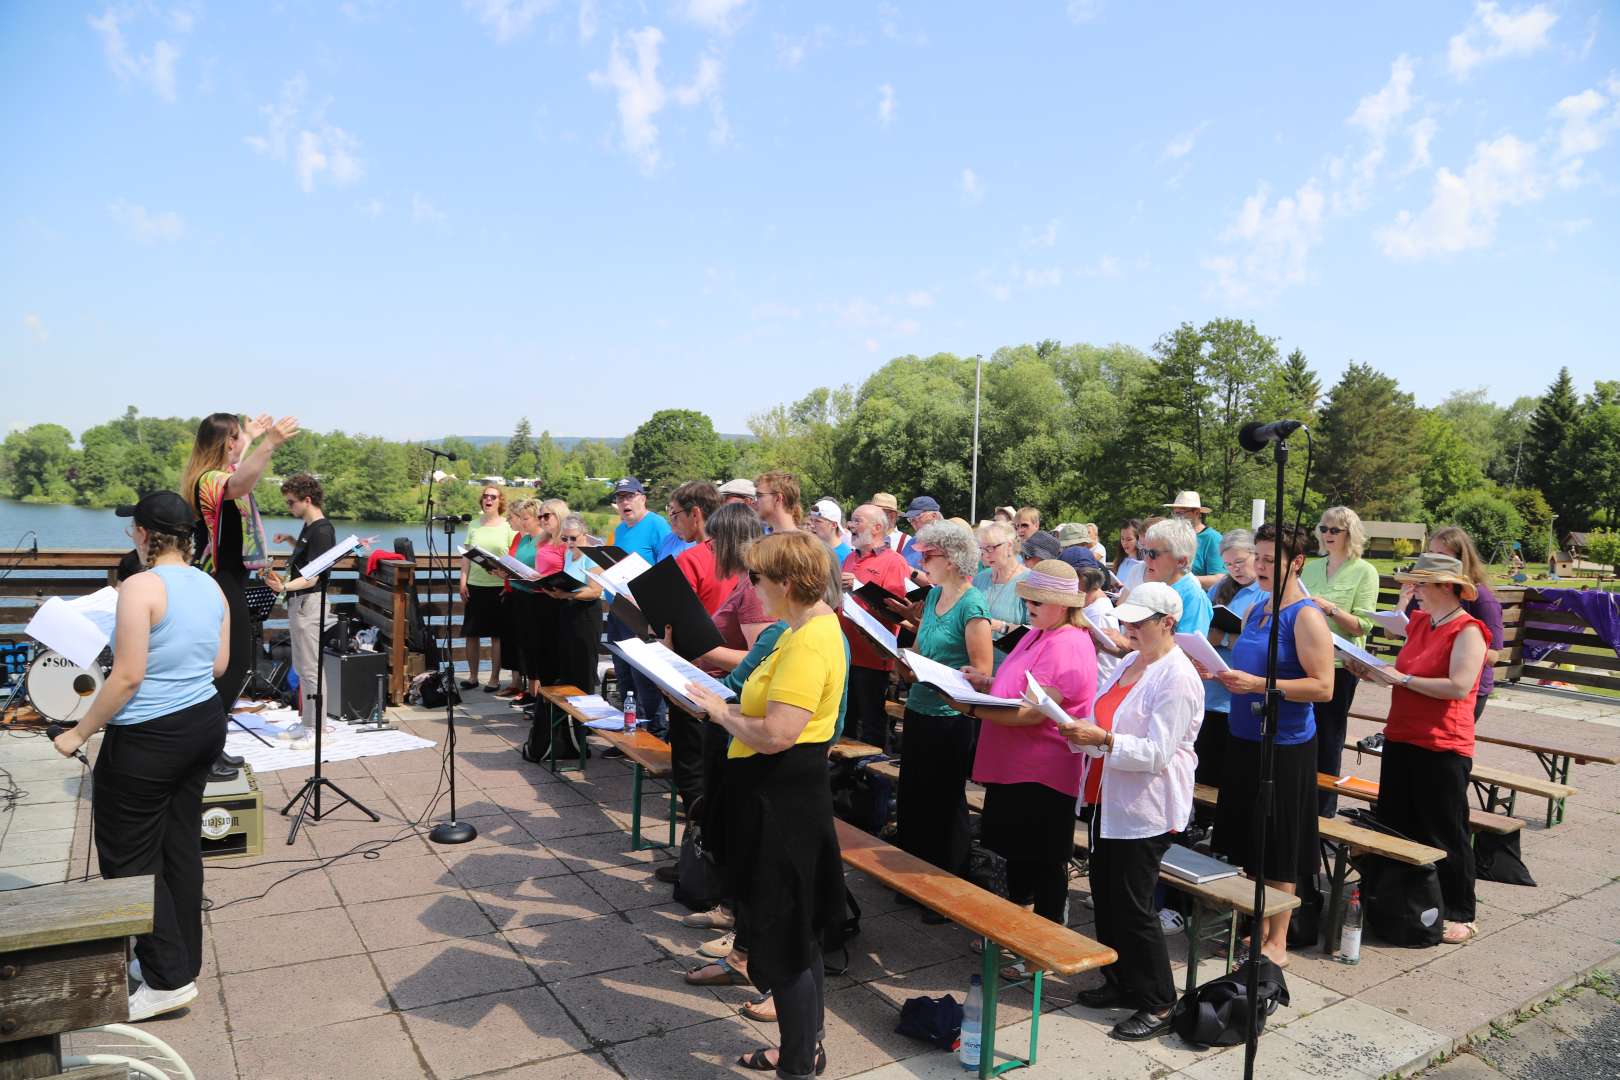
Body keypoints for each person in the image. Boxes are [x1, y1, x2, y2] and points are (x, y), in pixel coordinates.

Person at [53, 492, 229, 1022]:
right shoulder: (210, 583)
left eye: (134, 527)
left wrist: (78, 733)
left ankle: (167, 978)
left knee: (129, 858)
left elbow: (127, 677)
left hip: (148, 739)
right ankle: (176, 964)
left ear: (145, 535)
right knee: (179, 848)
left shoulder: (139, 587)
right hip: (203, 722)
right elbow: (218, 665)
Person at [683, 532, 849, 1080]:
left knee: (785, 934)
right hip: (775, 794)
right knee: (794, 930)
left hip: (783, 798)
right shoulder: (800, 630)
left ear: (785, 581)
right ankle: (806, 1048)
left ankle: (799, 1063)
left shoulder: (808, 640)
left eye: (755, 577)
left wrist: (718, 712)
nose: (749, 586)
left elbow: (778, 733)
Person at [1063, 581, 1201, 1041]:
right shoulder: (1128, 661)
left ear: (1168, 623)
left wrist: (1100, 740)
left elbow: (1158, 753)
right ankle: (1123, 981)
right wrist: (1079, 729)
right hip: (1107, 795)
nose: (1128, 628)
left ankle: (1160, 1000)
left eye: (1138, 622)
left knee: (1134, 904)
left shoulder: (1177, 676)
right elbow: (1105, 716)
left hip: (1146, 806)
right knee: (1107, 895)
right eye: (1126, 620)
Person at [1206, 523, 1334, 967]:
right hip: (1243, 736)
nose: (1259, 567)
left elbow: (1323, 686)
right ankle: (1254, 928)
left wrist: (1258, 684)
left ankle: (1277, 939)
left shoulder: (1305, 615)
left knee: (1280, 843)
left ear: (1296, 563)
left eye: (1268, 560)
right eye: (1256, 557)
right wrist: (1220, 673)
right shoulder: (1259, 606)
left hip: (1285, 744)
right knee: (1249, 837)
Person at [1347, 553, 1487, 945]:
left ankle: (1461, 909)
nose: (1414, 592)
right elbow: (1407, 676)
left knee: (1444, 830)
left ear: (1446, 586)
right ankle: (1401, 898)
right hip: (1402, 736)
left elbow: (1458, 686)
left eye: (1420, 585)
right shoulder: (1422, 623)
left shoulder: (1468, 630)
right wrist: (1371, 671)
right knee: (1397, 822)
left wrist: (1402, 678)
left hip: (1443, 744)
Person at [961, 561, 1098, 936]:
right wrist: (986, 682)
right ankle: (1018, 928)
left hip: (1041, 770)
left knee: (1041, 857)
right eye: (1029, 598)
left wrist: (969, 706)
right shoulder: (1042, 631)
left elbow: (1031, 713)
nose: (1030, 606)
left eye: (1039, 599)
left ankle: (1044, 937)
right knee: (1016, 853)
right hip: (1017, 765)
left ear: (1064, 604)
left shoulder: (1067, 642)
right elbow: (1019, 687)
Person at [895, 521, 992, 891]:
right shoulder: (934, 596)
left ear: (950, 559)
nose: (923, 564)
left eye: (929, 556)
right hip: (919, 708)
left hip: (950, 717)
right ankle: (912, 877)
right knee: (914, 795)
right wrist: (904, 659)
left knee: (945, 802)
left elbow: (982, 670)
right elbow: (920, 649)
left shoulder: (972, 604)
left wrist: (940, 673)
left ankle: (946, 883)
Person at [179, 412, 296, 709]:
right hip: (219, 580)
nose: (238, 441)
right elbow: (240, 482)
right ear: (222, 442)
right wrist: (269, 443)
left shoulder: (216, 474)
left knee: (231, 660)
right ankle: (211, 735)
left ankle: (213, 736)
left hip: (227, 580)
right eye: (234, 436)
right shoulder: (209, 481)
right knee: (233, 661)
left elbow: (237, 469)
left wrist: (251, 438)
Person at [1300, 506, 1380, 815]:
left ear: (1351, 534)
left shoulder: (1364, 571)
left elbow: (1363, 625)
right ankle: (1301, 800)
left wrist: (1330, 609)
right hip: (1305, 659)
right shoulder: (1311, 567)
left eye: (1335, 530)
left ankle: (1323, 811)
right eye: (1323, 529)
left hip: (1340, 665)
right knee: (1304, 734)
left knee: (1329, 738)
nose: (1327, 535)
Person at [1403, 526, 1505, 721]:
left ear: (1460, 559)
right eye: (1430, 553)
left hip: (1468, 690)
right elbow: (1400, 631)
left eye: (1440, 554)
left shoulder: (1481, 599)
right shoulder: (1425, 592)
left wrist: (1454, 648)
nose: (1432, 559)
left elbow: (1493, 655)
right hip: (1425, 680)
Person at [263, 473, 335, 736]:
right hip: (299, 602)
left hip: (309, 602)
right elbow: (308, 558)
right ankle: (307, 723)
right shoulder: (309, 527)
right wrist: (291, 541)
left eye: (291, 502)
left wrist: (283, 587)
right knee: (303, 666)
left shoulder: (323, 530)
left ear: (307, 500)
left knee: (312, 668)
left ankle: (318, 729)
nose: (288, 507)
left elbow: (313, 576)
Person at [837, 503, 911, 750]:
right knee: (844, 722)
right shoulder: (850, 556)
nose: (851, 526)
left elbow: (894, 610)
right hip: (845, 655)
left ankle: (875, 784)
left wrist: (858, 586)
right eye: (851, 520)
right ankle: (846, 782)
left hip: (873, 659)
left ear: (878, 528)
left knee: (871, 726)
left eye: (857, 521)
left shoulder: (894, 562)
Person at [1195, 530, 1264, 786]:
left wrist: (1222, 638)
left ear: (1255, 556)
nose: (1234, 569)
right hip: (1210, 688)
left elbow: (1259, 642)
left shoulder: (1264, 592)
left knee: (1231, 768)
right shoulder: (1220, 586)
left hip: (1238, 689)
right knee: (1205, 763)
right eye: (1228, 564)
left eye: (1239, 562)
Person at [609, 478, 672, 732]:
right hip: (617, 609)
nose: (624, 502)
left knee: (644, 676)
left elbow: (667, 570)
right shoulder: (620, 529)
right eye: (620, 497)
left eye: (629, 496)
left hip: (642, 613)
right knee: (623, 673)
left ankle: (657, 734)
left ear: (642, 498)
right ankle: (631, 729)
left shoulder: (657, 525)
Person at [505, 498, 565, 712]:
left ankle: (544, 698)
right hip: (524, 594)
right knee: (530, 648)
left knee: (544, 650)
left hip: (546, 598)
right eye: (540, 516)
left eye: (544, 516)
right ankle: (536, 696)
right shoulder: (533, 539)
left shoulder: (562, 540)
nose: (541, 520)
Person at [457, 484, 516, 692]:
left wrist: (508, 581)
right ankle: (472, 677)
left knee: (496, 636)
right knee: (472, 633)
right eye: (485, 496)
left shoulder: (508, 526)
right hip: (475, 586)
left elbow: (513, 558)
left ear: (500, 501)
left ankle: (494, 679)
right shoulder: (474, 524)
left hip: (498, 587)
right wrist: (463, 581)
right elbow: (466, 555)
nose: (488, 500)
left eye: (493, 496)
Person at [543, 514, 605, 694]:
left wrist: (566, 594)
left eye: (573, 538)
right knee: (567, 665)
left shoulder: (592, 556)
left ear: (584, 534)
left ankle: (584, 717)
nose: (569, 542)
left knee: (583, 667)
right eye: (565, 538)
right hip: (568, 611)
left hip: (586, 614)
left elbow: (595, 591)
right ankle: (568, 713)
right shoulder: (569, 554)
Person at [1139, 518, 1213, 637]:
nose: (1146, 560)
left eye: (1153, 554)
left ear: (1181, 561)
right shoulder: (1156, 588)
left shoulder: (1193, 597)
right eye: (1144, 552)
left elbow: (1189, 650)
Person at [670, 481, 736, 613]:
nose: (674, 521)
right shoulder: (738, 550)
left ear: (695, 514)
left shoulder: (689, 560)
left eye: (676, 515)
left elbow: (676, 615)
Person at [972, 521, 1029, 660]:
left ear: (1009, 546)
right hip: (975, 660)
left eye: (990, 548)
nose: (985, 555)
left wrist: (1000, 626)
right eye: (982, 549)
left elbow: (1036, 634)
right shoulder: (980, 578)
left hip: (1010, 664)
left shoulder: (1029, 581)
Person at [1164, 491, 1224, 588]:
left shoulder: (1212, 538)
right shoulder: (1172, 536)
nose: (1176, 518)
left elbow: (1219, 578)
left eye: (1180, 513)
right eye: (1174, 513)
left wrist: (1181, 580)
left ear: (1196, 513)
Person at [898, 496, 943, 568]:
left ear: (934, 516)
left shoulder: (947, 542)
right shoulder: (912, 542)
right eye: (910, 519)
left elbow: (946, 578)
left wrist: (911, 571)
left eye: (917, 517)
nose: (913, 523)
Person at [806, 499, 852, 564]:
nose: (812, 525)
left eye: (818, 521)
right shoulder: (810, 550)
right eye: (811, 520)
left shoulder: (846, 556)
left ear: (833, 525)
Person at [1114, 518, 1146, 592]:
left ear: (1139, 539)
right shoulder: (1121, 561)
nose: (1124, 543)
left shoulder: (1144, 564)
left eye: (1129, 539)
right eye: (1122, 539)